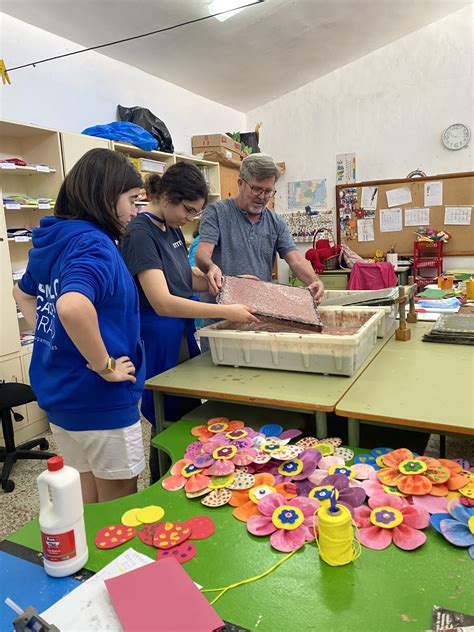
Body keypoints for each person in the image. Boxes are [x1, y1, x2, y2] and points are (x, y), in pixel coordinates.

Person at [13, 148, 145, 504]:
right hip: (99, 398)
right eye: (132, 200)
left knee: (87, 499)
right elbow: (71, 306)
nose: (135, 211)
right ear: (105, 196)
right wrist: (105, 366)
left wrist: (50, 332)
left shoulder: (57, 239)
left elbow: (22, 292)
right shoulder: (93, 244)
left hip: (62, 395)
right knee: (118, 507)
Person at [119, 163, 257, 440]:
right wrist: (225, 309)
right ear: (168, 197)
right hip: (157, 335)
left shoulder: (170, 227)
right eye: (189, 210)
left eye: (197, 212)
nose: (191, 218)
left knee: (188, 412)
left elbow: (184, 277)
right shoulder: (141, 234)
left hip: (179, 333)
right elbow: (162, 302)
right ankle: (165, 470)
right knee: (167, 415)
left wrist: (229, 281)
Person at [195, 153, 324, 346]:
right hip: (220, 320)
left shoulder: (275, 222)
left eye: (268, 191)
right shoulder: (217, 213)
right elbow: (202, 254)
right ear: (240, 183)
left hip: (259, 318)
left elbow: (295, 259)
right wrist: (211, 267)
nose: (262, 197)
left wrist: (314, 280)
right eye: (256, 189)